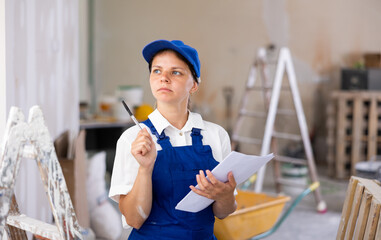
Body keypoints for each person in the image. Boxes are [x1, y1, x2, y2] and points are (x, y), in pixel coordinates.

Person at [109, 39, 237, 240]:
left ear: (194, 84)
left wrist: (225, 195)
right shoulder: (133, 139)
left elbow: (223, 212)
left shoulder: (215, 135)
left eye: (176, 72)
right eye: (157, 71)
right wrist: (145, 168)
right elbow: (134, 219)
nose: (164, 78)